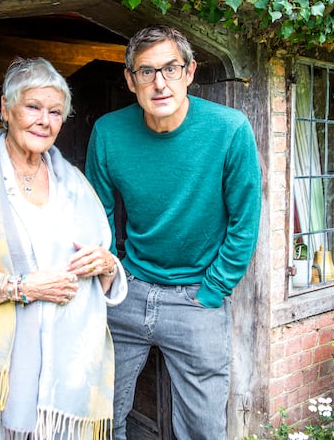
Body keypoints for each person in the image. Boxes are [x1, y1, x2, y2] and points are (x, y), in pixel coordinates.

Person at [0, 56, 127, 440]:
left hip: (64, 371)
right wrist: (22, 288)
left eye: (55, 111)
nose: (45, 120)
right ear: (6, 108)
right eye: (33, 107)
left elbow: (105, 261)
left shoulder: (73, 181)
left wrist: (106, 266)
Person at [85, 25, 262, 439]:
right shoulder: (108, 133)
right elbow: (97, 213)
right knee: (99, 417)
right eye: (146, 72)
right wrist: (112, 271)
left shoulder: (230, 129)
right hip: (127, 293)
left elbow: (244, 221)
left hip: (196, 300)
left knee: (203, 430)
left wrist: (213, 290)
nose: (159, 83)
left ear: (190, 71)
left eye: (171, 68)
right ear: (130, 80)